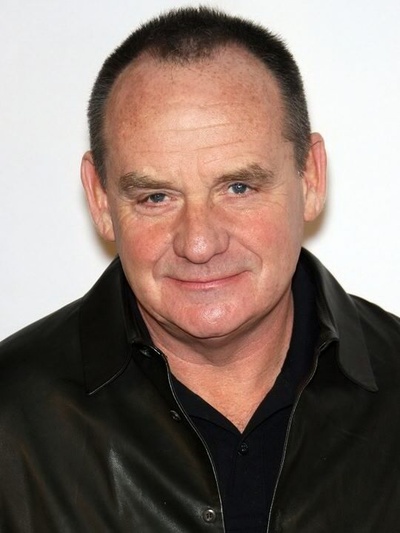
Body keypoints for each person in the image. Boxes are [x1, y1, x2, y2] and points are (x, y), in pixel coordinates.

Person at [1, 6, 399, 532]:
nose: (199, 243)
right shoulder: (11, 421)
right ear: (100, 200)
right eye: (156, 196)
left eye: (238, 187)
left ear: (311, 177)